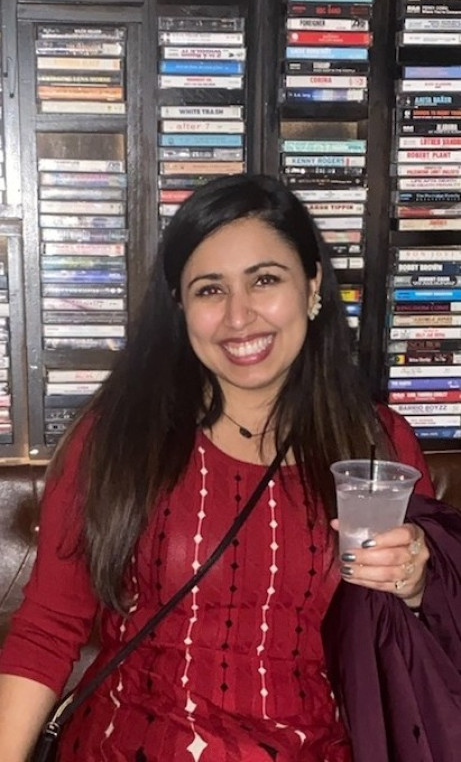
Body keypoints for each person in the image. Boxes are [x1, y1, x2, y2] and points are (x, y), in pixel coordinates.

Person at [0, 173, 459, 762]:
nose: (239, 317)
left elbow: (413, 645)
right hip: (132, 746)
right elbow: (47, 629)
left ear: (313, 286)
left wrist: (417, 583)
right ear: (181, 307)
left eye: (265, 280)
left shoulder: (378, 445)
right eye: (210, 290)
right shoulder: (117, 437)